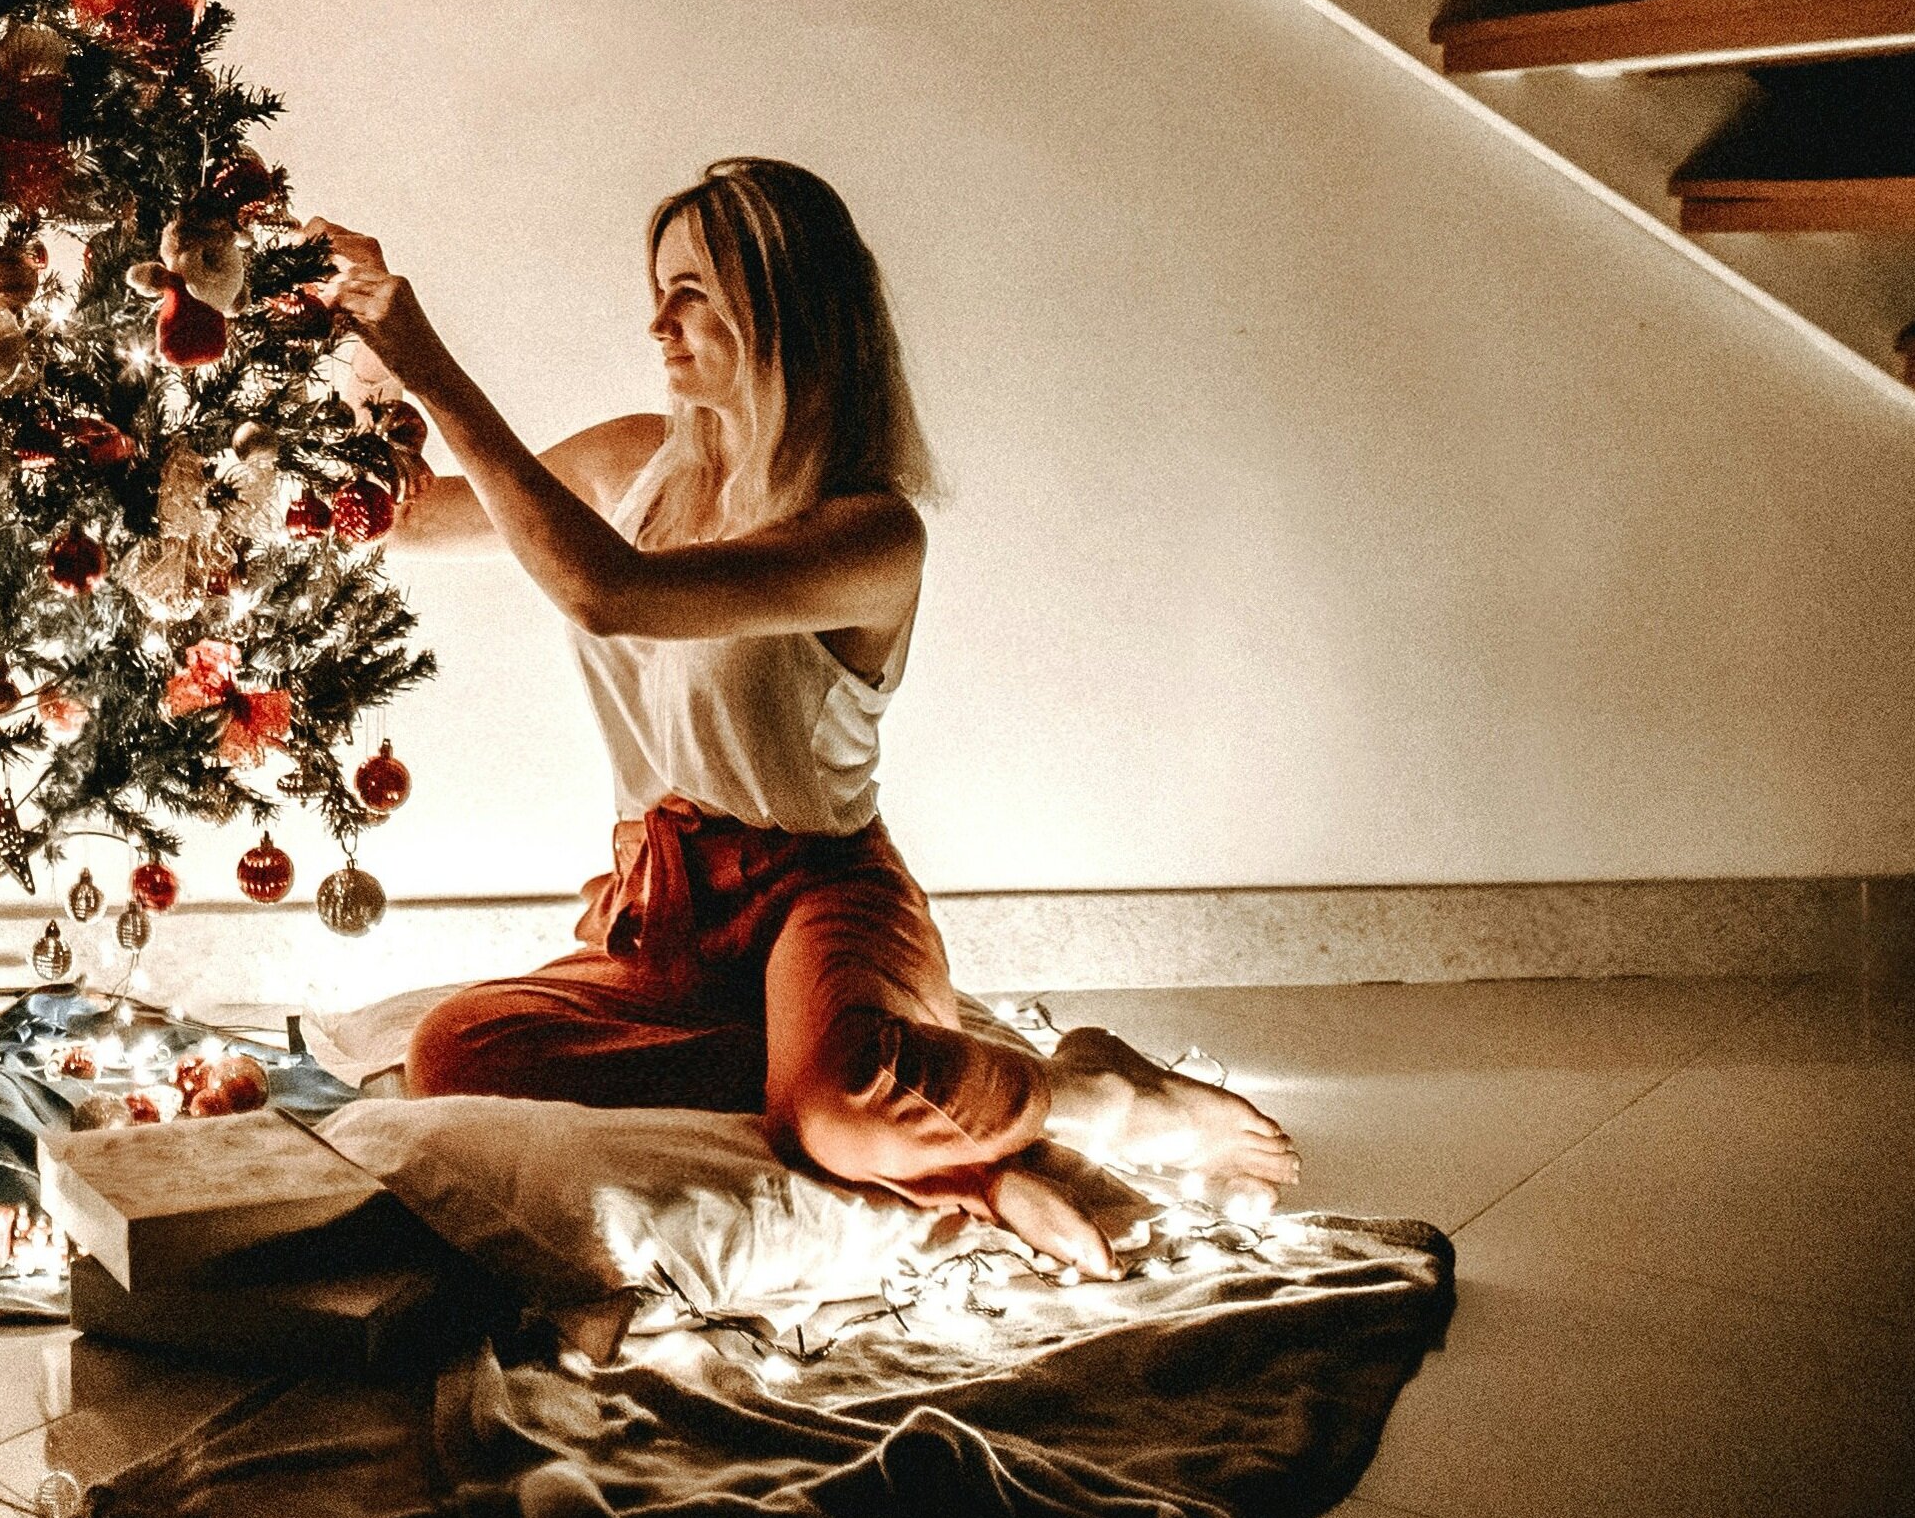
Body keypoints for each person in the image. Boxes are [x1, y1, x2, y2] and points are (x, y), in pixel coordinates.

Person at [314, 160, 1297, 1276]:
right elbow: (398, 522)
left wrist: (432, 362)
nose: (655, 319)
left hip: (818, 894)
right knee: (457, 1048)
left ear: (778, 305)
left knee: (831, 1113)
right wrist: (363, 357)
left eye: (690, 290)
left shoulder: (867, 533)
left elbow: (610, 590)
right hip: (666, 900)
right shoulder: (630, 456)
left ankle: (1083, 1090)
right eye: (658, 285)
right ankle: (952, 1124)